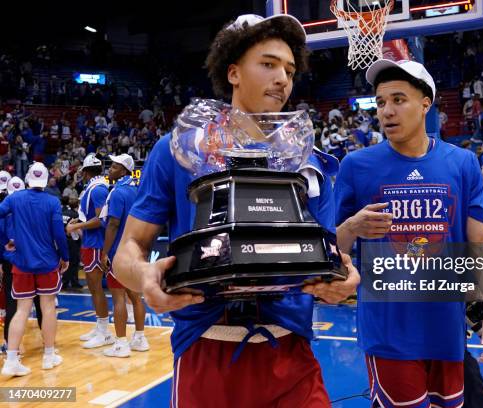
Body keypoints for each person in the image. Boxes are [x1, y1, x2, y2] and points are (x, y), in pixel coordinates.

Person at [113, 13, 359, 407]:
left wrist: (344, 280)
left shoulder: (313, 163)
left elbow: (331, 257)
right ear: (233, 73)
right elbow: (126, 253)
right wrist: (143, 277)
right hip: (206, 348)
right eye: (268, 63)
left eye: (290, 69)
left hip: (291, 352)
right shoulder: (174, 152)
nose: (283, 77)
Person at [334, 59, 483, 407]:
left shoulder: (461, 163)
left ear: (425, 103)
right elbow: (331, 246)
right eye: (381, 102)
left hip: (446, 329)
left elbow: (480, 241)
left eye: (398, 99)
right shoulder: (356, 166)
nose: (387, 111)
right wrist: (351, 226)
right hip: (388, 332)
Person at [0, 162, 69, 377]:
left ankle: (11, 359)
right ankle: (49, 356)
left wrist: (5, 242)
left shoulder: (14, 198)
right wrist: (65, 256)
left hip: (21, 263)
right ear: (46, 180)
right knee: (48, 307)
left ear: (28, 179)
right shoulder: (52, 202)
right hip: (47, 263)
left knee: (21, 310)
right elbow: (59, 233)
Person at [99, 154, 148, 358]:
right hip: (135, 250)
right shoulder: (138, 191)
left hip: (118, 252)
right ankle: (140, 338)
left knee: (118, 298)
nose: (110, 169)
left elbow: (113, 223)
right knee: (136, 296)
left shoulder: (118, 192)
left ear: (124, 171)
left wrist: (104, 252)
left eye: (114, 167)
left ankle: (120, 344)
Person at [65, 153, 113, 348]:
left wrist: (76, 227)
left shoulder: (98, 189)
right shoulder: (93, 187)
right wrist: (79, 221)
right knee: (93, 289)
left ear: (85, 172)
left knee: (96, 288)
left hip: (96, 244)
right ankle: (100, 326)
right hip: (91, 243)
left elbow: (102, 220)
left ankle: (105, 332)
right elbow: (91, 217)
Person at [61, 196, 82, 289]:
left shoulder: (63, 213)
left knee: (65, 260)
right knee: (74, 261)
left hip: (62, 239)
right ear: (77, 205)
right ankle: (74, 282)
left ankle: (64, 281)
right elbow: (76, 229)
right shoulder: (76, 215)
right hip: (72, 240)